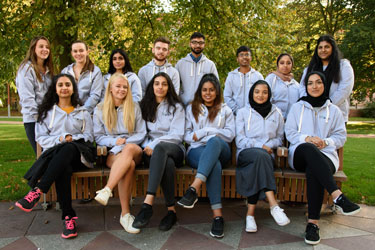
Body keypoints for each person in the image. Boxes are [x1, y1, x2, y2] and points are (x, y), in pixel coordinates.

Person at [15, 74, 95, 239]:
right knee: (63, 167)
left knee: (68, 148)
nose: (64, 87)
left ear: (73, 88)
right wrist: (60, 138)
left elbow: (89, 136)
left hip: (79, 156)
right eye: (60, 85)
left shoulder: (83, 111)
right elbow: (41, 138)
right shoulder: (47, 112)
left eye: (68, 84)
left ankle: (38, 190)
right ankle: (68, 218)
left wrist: (72, 139)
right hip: (58, 159)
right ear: (55, 89)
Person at [285, 71, 360, 245]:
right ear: (306, 87)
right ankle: (338, 196)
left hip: (326, 156)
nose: (314, 86)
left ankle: (313, 224)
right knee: (308, 149)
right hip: (300, 154)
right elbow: (290, 132)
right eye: (310, 83)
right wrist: (308, 139)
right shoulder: (297, 107)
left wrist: (325, 142)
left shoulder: (333, 110)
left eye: (318, 82)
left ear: (324, 85)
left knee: (314, 170)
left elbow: (341, 136)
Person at [178, 73, 235, 238]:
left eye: (211, 90)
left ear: (217, 91)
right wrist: (197, 136)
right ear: (200, 91)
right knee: (213, 165)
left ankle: (194, 188)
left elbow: (230, 135)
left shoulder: (226, 110)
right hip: (196, 151)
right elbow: (186, 136)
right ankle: (218, 217)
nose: (208, 93)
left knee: (214, 142)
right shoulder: (191, 108)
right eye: (204, 90)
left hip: (221, 149)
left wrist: (206, 132)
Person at [93, 73, 146, 234]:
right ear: (110, 88)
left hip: (134, 147)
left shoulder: (135, 107)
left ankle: (107, 189)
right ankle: (125, 214)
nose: (122, 90)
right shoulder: (100, 109)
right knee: (127, 165)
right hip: (113, 151)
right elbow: (98, 136)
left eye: (125, 87)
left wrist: (124, 143)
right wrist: (114, 144)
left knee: (129, 151)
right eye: (118, 86)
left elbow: (141, 133)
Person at [132, 72, 185, 232]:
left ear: (169, 87)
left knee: (162, 149)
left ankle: (148, 203)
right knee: (166, 164)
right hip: (151, 151)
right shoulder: (144, 106)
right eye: (157, 83)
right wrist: (149, 146)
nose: (160, 87)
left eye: (164, 84)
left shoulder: (176, 106)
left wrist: (154, 144)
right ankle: (171, 212)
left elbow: (177, 135)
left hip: (174, 148)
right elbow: (141, 132)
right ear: (152, 86)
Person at [235, 80, 290, 233]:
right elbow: (239, 140)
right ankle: (273, 205)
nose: (261, 95)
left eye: (264, 92)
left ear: (269, 94)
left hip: (266, 157)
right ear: (252, 93)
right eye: (257, 92)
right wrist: (261, 146)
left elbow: (279, 138)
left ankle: (250, 215)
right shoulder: (243, 112)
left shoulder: (276, 113)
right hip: (246, 154)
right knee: (260, 156)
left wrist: (269, 145)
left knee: (258, 163)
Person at [299, 35, 354, 122]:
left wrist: (326, 106)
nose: (323, 50)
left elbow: (344, 90)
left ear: (333, 48)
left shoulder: (343, 66)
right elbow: (302, 87)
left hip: (336, 115)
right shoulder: (310, 68)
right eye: (320, 47)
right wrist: (309, 104)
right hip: (312, 114)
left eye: (327, 47)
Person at [16, 36, 54, 154]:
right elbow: (27, 99)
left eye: (47, 47)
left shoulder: (48, 71)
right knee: (42, 156)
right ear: (33, 49)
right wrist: (40, 119)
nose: (45, 49)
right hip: (34, 121)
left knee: (52, 156)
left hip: (50, 120)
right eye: (41, 46)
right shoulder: (26, 70)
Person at [176, 32, 219, 105]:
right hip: (184, 106)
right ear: (190, 44)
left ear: (204, 44)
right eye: (194, 42)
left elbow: (216, 87)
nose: (198, 45)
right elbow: (174, 87)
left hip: (204, 107)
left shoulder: (210, 65)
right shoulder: (180, 64)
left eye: (201, 43)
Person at [61, 40, 103, 113]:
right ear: (72, 53)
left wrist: (82, 112)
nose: (78, 53)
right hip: (68, 113)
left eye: (81, 50)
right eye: (75, 51)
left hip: (87, 114)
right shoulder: (65, 71)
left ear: (87, 51)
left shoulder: (95, 71)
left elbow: (95, 95)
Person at [224, 46, 263, 115]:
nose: (244, 57)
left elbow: (262, 95)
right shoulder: (231, 76)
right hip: (235, 116)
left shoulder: (258, 76)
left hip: (253, 115)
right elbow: (227, 96)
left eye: (247, 55)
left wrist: (254, 110)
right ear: (237, 59)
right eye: (241, 55)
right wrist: (237, 111)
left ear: (250, 58)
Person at [265, 53, 299, 118]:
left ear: (292, 65)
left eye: (288, 63)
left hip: (291, 122)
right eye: (282, 63)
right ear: (277, 65)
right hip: (273, 120)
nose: (285, 65)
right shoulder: (271, 79)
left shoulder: (296, 85)